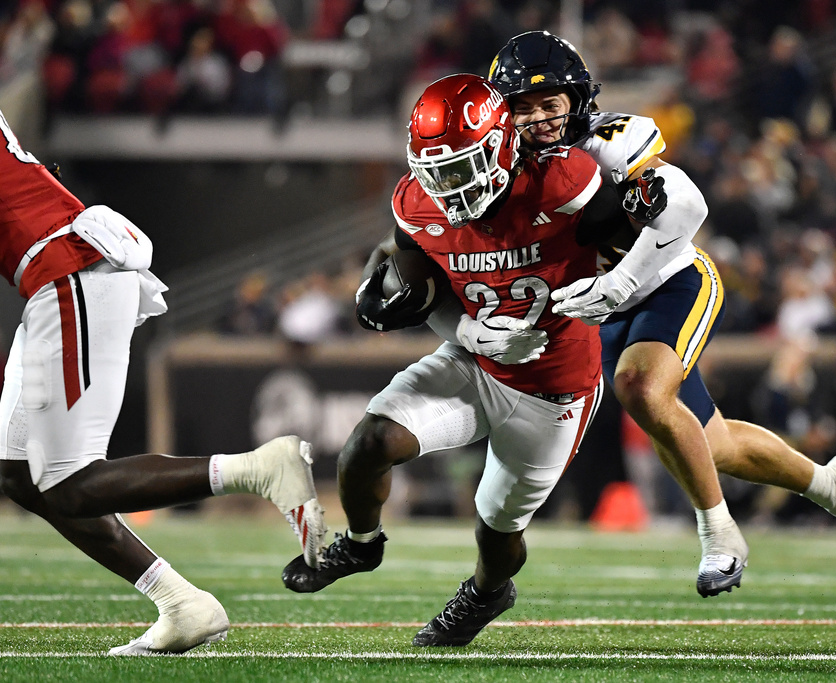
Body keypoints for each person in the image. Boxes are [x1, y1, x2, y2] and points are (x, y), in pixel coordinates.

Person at [487, 31, 836, 578]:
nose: (538, 119)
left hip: (669, 281)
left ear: (577, 99)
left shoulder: (608, 141)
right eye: (524, 107)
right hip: (602, 310)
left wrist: (621, 281)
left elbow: (686, 205)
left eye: (550, 104)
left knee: (641, 387)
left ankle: (720, 535)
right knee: (712, 443)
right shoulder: (499, 167)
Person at [280, 73, 663, 646]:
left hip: (553, 387)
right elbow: (412, 277)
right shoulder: (418, 200)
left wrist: (628, 254)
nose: (449, 186)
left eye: (462, 167)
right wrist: (471, 333)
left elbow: (637, 243)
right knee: (369, 443)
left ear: (503, 145)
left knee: (497, 530)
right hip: (473, 362)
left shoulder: (563, 181)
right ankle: (361, 545)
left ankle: (487, 593)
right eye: (437, 170)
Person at [0, 109, 327, 655]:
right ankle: (182, 603)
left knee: (69, 480)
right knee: (19, 474)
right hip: (57, 273)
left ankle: (260, 468)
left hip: (68, 268)